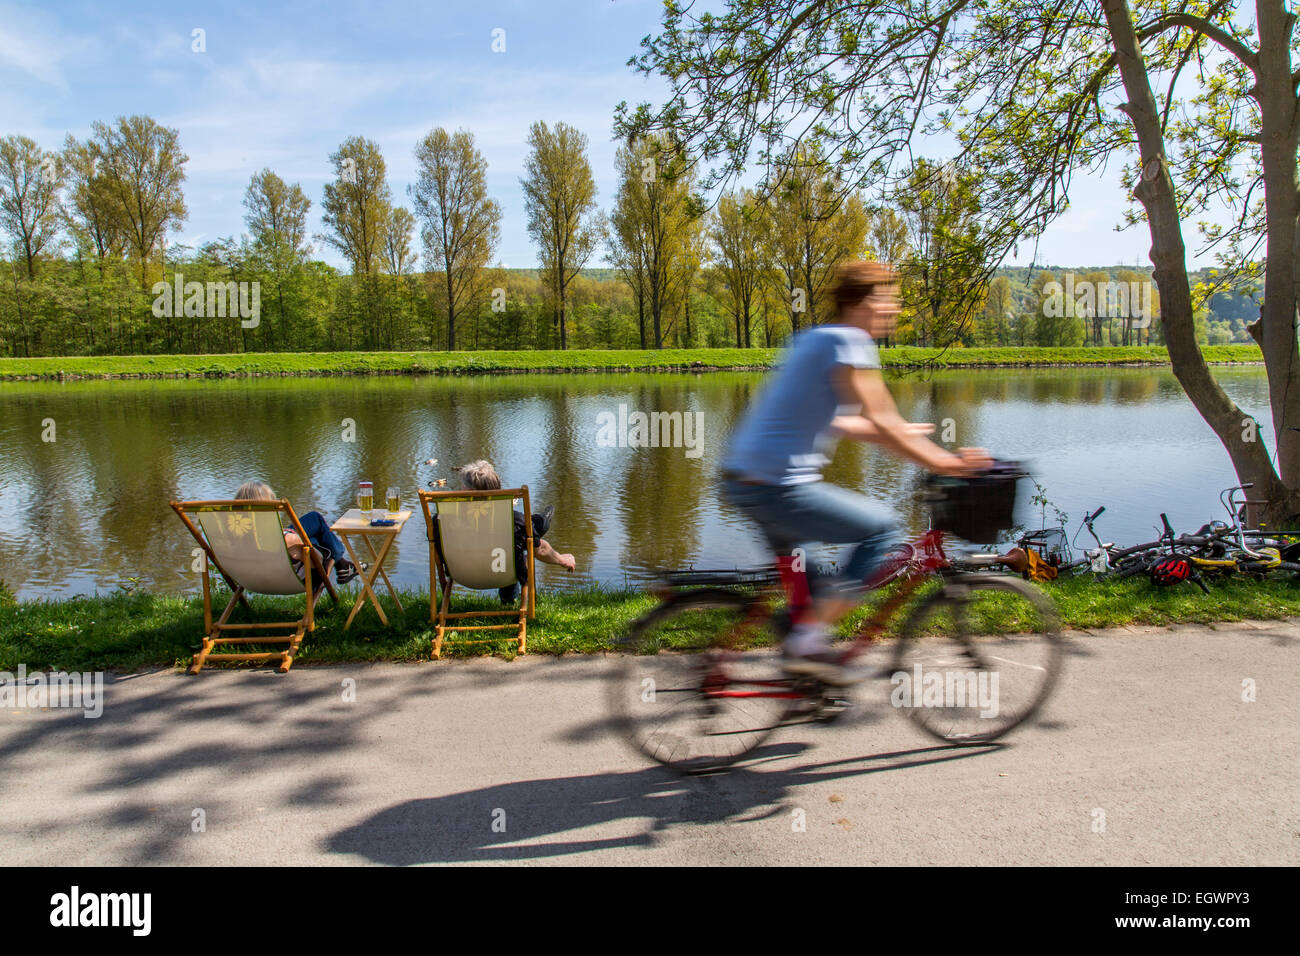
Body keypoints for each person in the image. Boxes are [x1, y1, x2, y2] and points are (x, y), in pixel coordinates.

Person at [721, 260, 990, 682]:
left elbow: (844, 422)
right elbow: (881, 417)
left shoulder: (817, 339)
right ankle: (805, 646)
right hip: (777, 487)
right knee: (882, 531)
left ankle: (804, 676)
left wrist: (902, 434)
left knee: (806, 597)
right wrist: (948, 463)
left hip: (747, 479)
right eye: (890, 301)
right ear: (865, 302)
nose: (895, 311)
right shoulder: (849, 342)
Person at [453, 460, 576, 604]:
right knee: (523, 538)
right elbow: (540, 549)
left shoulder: (443, 520)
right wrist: (562, 559)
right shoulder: (513, 521)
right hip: (500, 570)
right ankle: (541, 522)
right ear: (496, 493)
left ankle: (538, 524)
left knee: (516, 539)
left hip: (462, 574)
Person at [233, 481, 362, 585]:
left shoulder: (230, 539)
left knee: (313, 524)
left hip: (254, 579)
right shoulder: (284, 539)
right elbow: (319, 558)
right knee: (315, 522)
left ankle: (342, 564)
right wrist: (290, 536)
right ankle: (341, 562)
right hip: (296, 577)